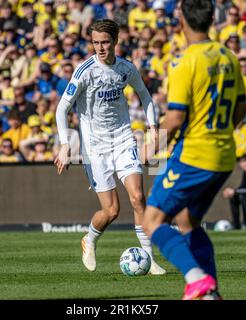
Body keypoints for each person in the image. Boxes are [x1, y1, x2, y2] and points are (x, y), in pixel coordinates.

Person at [141, 0, 246, 300]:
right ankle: (212, 294)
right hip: (224, 155)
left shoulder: (184, 62)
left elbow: (174, 118)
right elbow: (241, 109)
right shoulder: (229, 57)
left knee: (152, 220)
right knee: (188, 221)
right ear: (212, 19)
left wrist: (150, 147)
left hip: (194, 155)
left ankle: (196, 279)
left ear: (182, 21)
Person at [54, 19, 166, 275]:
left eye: (105, 42)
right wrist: (64, 144)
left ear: (115, 42)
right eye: (95, 43)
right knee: (112, 210)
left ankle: (148, 259)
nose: (100, 48)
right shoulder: (84, 71)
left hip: (123, 138)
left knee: (138, 198)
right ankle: (90, 239)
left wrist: (153, 126)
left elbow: (145, 95)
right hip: (95, 147)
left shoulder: (126, 68)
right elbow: (62, 108)